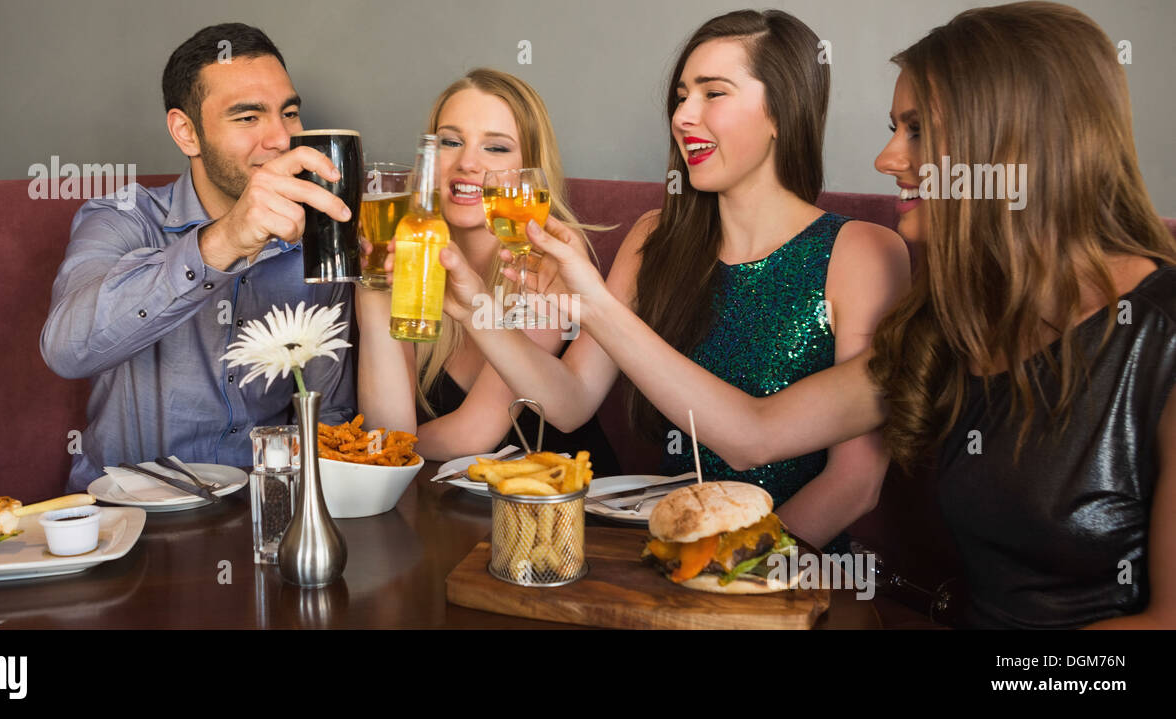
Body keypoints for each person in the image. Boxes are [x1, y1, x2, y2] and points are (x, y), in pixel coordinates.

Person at [480, 2, 1176, 629]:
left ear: (1013, 144)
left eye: (916, 130)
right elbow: (756, 432)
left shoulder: (1158, 332)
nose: (885, 158)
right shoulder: (956, 323)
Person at [434, 11, 912, 552]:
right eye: (682, 96)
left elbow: (855, 484)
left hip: (789, 563)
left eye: (713, 93)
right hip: (662, 546)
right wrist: (478, 310)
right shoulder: (653, 238)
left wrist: (730, 569)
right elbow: (568, 404)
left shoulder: (864, 252)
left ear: (782, 108)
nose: (683, 115)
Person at [41, 23, 357, 492]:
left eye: (288, 114)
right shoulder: (123, 218)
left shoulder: (319, 234)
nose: (279, 139)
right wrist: (226, 240)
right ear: (186, 132)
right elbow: (67, 349)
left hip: (265, 510)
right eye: (248, 118)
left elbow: (328, 416)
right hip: (130, 516)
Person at [357, 68, 617, 471]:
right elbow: (389, 428)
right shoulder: (409, 245)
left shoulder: (546, 257)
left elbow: (473, 434)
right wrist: (372, 286)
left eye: (495, 149)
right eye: (450, 142)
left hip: (562, 508)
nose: (467, 163)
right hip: (455, 514)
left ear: (529, 169)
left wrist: (368, 452)